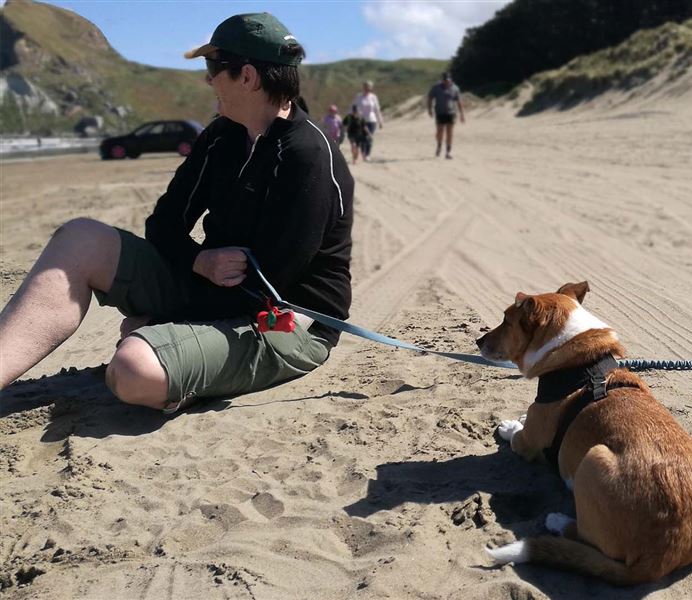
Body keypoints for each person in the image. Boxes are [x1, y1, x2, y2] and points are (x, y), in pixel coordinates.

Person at [0, 13, 355, 413]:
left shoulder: (306, 156)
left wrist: (159, 322)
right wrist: (199, 261)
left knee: (133, 370)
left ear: (248, 77)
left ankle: (168, 354)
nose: (207, 80)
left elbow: (269, 284)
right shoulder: (222, 135)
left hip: (285, 320)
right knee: (80, 237)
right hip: (211, 290)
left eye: (213, 67)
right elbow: (164, 223)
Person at [426, 71, 465, 159]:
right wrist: (429, 109)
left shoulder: (455, 88)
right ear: (442, 80)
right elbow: (430, 98)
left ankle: (448, 152)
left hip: (451, 113)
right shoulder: (436, 87)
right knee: (440, 132)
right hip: (440, 112)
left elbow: (459, 102)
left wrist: (462, 114)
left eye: (448, 80)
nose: (447, 82)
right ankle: (439, 146)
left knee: (450, 133)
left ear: (451, 79)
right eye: (445, 80)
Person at [352, 80, 383, 161]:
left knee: (369, 137)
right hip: (362, 120)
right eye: (366, 87)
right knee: (363, 138)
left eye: (369, 87)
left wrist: (380, 121)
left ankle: (367, 154)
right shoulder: (358, 96)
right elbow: (354, 107)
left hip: (372, 120)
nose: (367, 89)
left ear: (371, 88)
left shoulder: (373, 97)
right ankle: (363, 153)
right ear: (363, 87)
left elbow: (377, 109)